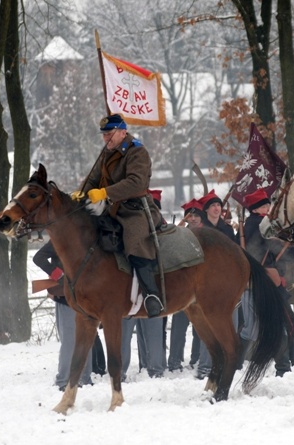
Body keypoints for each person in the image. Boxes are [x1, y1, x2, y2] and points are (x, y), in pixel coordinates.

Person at [74, 113, 164, 318]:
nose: (106, 139)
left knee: (134, 240)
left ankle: (152, 295)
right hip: (110, 209)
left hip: (136, 209)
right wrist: (81, 193)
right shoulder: (107, 152)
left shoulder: (137, 151)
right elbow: (93, 178)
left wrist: (106, 193)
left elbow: (136, 182)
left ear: (123, 132)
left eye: (110, 134)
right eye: (104, 135)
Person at [241, 188, 294, 376]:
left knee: (276, 324)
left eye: (267, 204)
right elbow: (275, 248)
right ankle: (283, 366)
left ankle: (238, 362)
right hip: (267, 282)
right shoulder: (259, 225)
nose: (268, 208)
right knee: (283, 323)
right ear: (256, 209)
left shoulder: (250, 225)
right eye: (264, 205)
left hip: (257, 281)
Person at [33, 241, 104, 390]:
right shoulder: (59, 237)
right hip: (66, 298)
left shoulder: (89, 237)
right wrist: (59, 276)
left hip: (87, 296)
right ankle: (63, 381)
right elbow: (39, 258)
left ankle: (85, 378)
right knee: (70, 342)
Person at [121, 189, 167, 379]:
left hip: (149, 271)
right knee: (122, 334)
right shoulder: (121, 208)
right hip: (122, 286)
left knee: (153, 327)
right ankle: (119, 370)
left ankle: (155, 369)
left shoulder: (151, 214)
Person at [195, 190, 237, 379]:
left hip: (226, 282)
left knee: (227, 325)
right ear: (206, 210)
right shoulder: (199, 231)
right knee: (208, 326)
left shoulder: (227, 230)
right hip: (204, 282)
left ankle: (229, 362)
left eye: (219, 205)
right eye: (213, 205)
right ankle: (205, 365)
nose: (217, 208)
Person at [168, 198, 204, 372]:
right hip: (182, 289)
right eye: (191, 216)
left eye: (197, 215)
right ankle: (174, 361)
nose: (194, 219)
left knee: (200, 328)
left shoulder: (207, 236)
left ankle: (196, 358)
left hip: (201, 288)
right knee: (178, 328)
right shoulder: (179, 235)